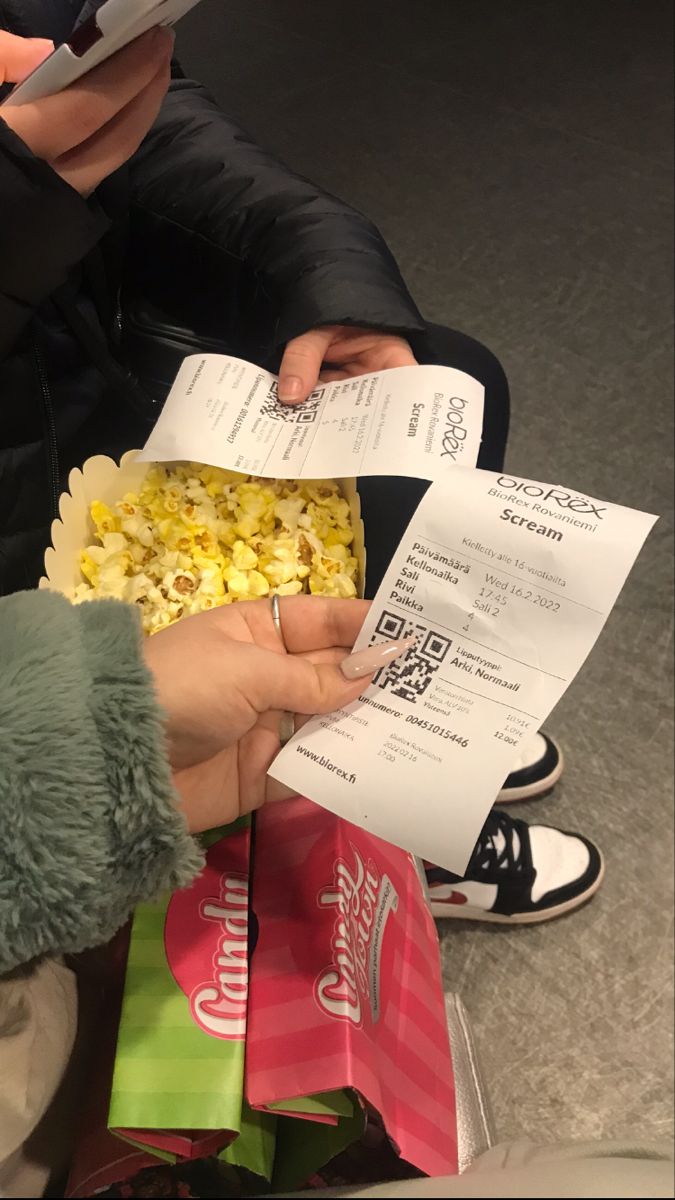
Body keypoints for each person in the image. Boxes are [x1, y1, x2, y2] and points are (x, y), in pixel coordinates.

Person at [0, 6, 599, 928]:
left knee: (444, 380)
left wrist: (318, 270)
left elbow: (145, 119)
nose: (20, 50)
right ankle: (375, 820)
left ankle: (414, 743)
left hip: (80, 384)